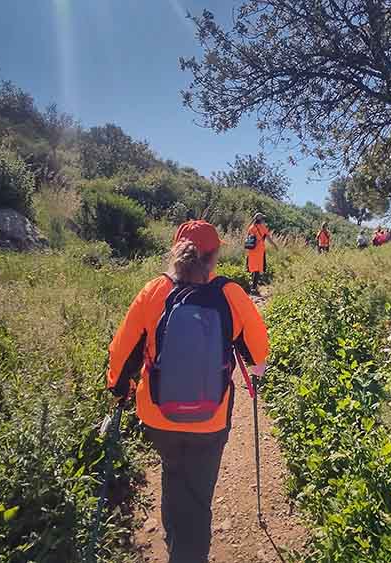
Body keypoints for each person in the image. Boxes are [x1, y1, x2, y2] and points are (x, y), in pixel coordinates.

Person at [106, 220, 269, 563]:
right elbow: (258, 353)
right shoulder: (230, 293)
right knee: (197, 493)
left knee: (172, 472)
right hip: (210, 420)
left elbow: (121, 353)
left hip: (158, 415)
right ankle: (189, 553)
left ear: (177, 251)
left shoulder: (154, 291)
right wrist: (255, 369)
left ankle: (174, 540)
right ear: (215, 255)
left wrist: (119, 388)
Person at [245, 213, 276, 295]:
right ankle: (254, 288)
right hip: (259, 251)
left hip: (251, 251)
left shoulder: (251, 227)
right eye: (263, 219)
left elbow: (248, 239)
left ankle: (252, 286)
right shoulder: (263, 228)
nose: (264, 220)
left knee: (252, 268)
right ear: (261, 220)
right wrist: (275, 246)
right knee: (257, 269)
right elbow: (269, 239)